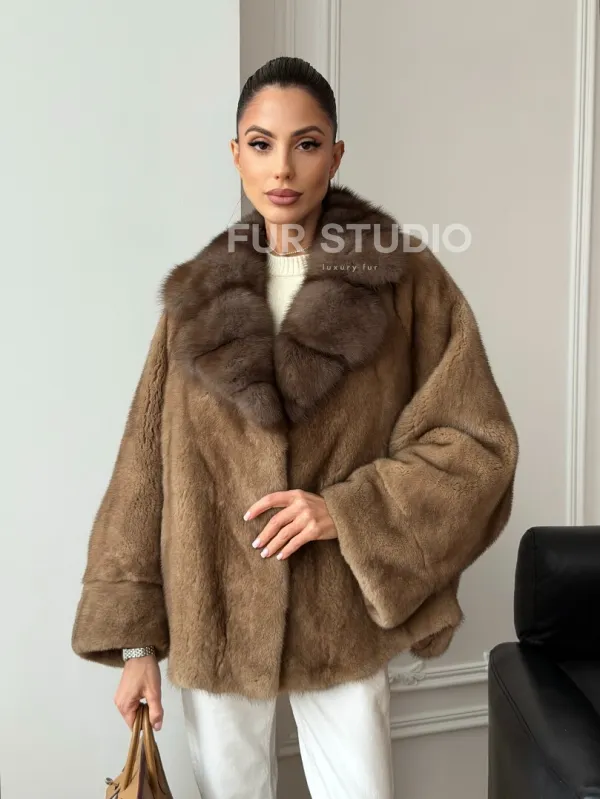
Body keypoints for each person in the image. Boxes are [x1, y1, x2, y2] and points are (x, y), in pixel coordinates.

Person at [71, 56, 519, 799]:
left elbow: (477, 442)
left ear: (335, 155)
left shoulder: (403, 279)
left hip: (342, 612)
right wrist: (137, 643)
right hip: (213, 606)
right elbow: (144, 468)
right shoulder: (196, 297)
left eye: (306, 144)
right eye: (261, 143)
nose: (282, 167)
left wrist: (348, 511)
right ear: (235, 154)